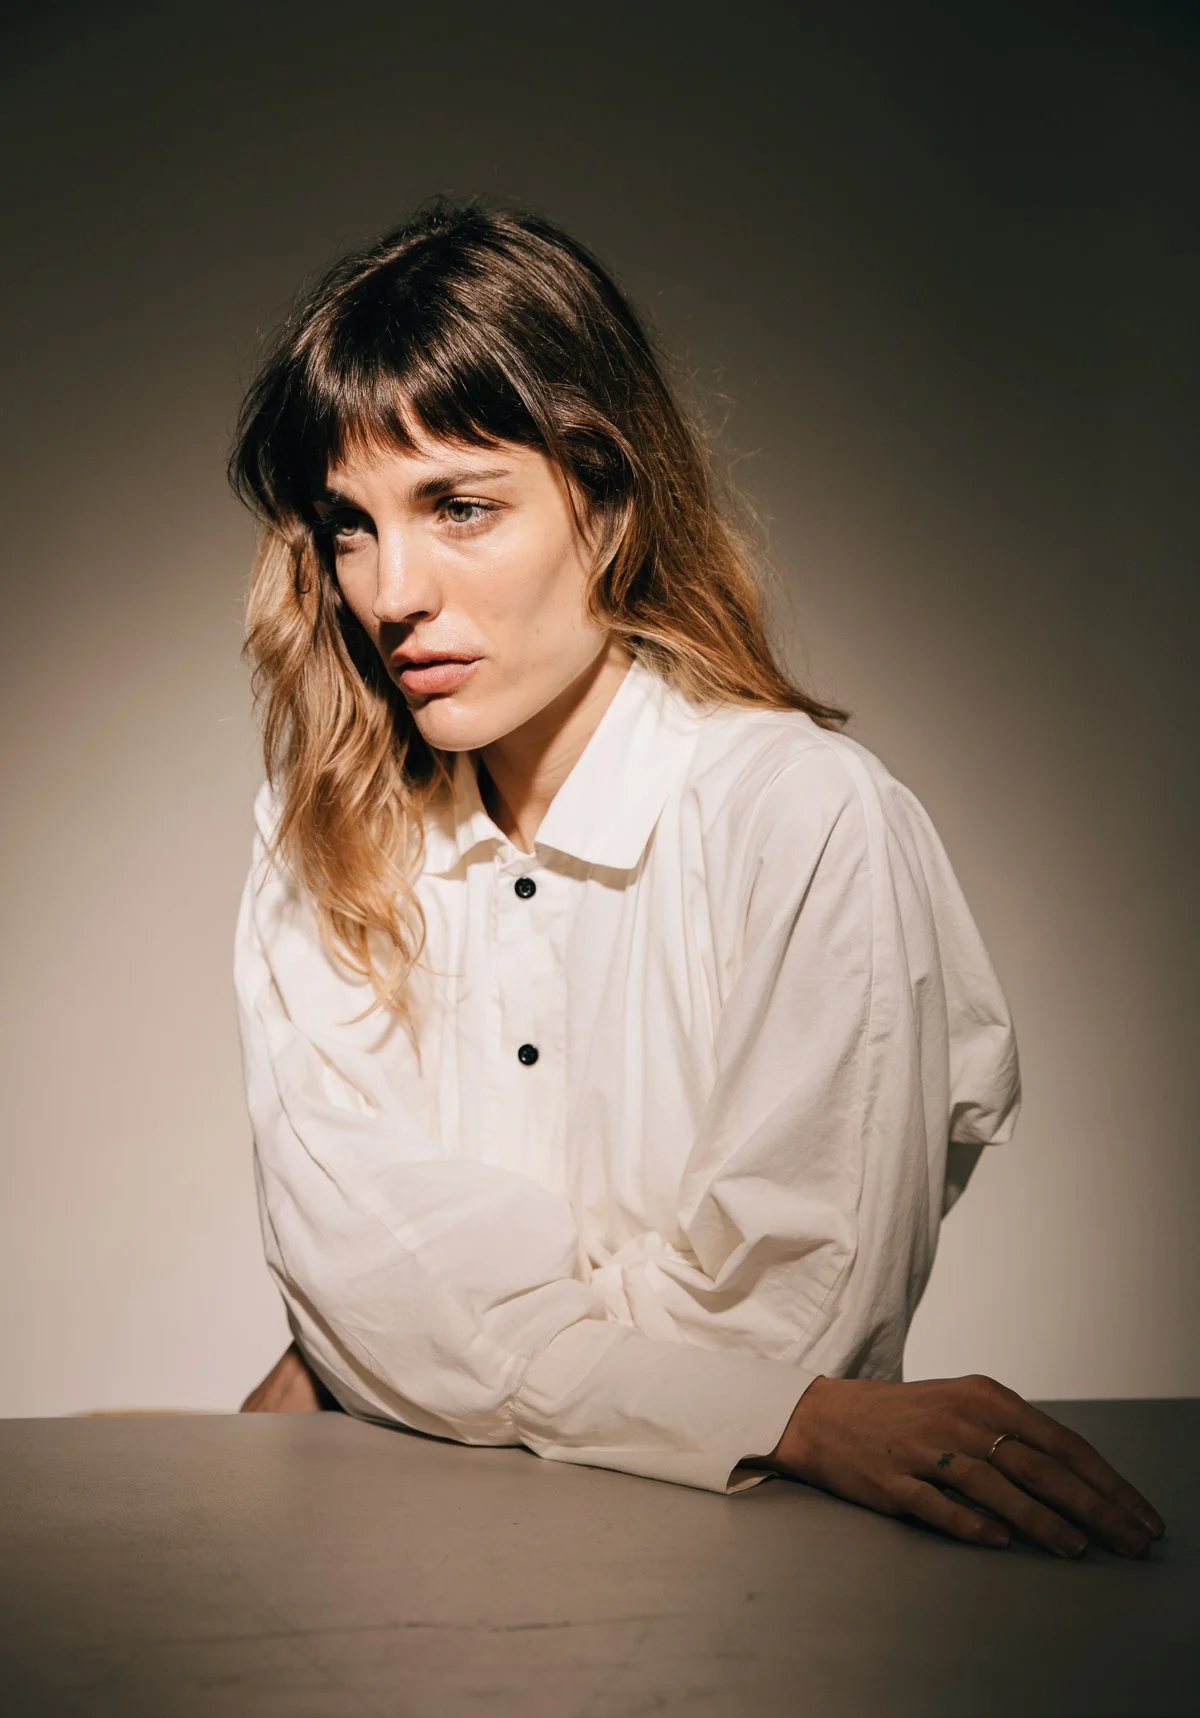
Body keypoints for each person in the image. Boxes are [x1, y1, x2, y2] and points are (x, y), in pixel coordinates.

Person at [230, 197, 1164, 1561]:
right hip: (389, 1590)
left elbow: (795, 1327)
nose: (390, 592)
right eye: (350, 526)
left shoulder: (809, 822)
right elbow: (373, 1273)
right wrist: (381, 1333)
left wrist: (384, 1364)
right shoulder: (319, 834)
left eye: (461, 507)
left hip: (747, 1594)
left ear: (604, 505)